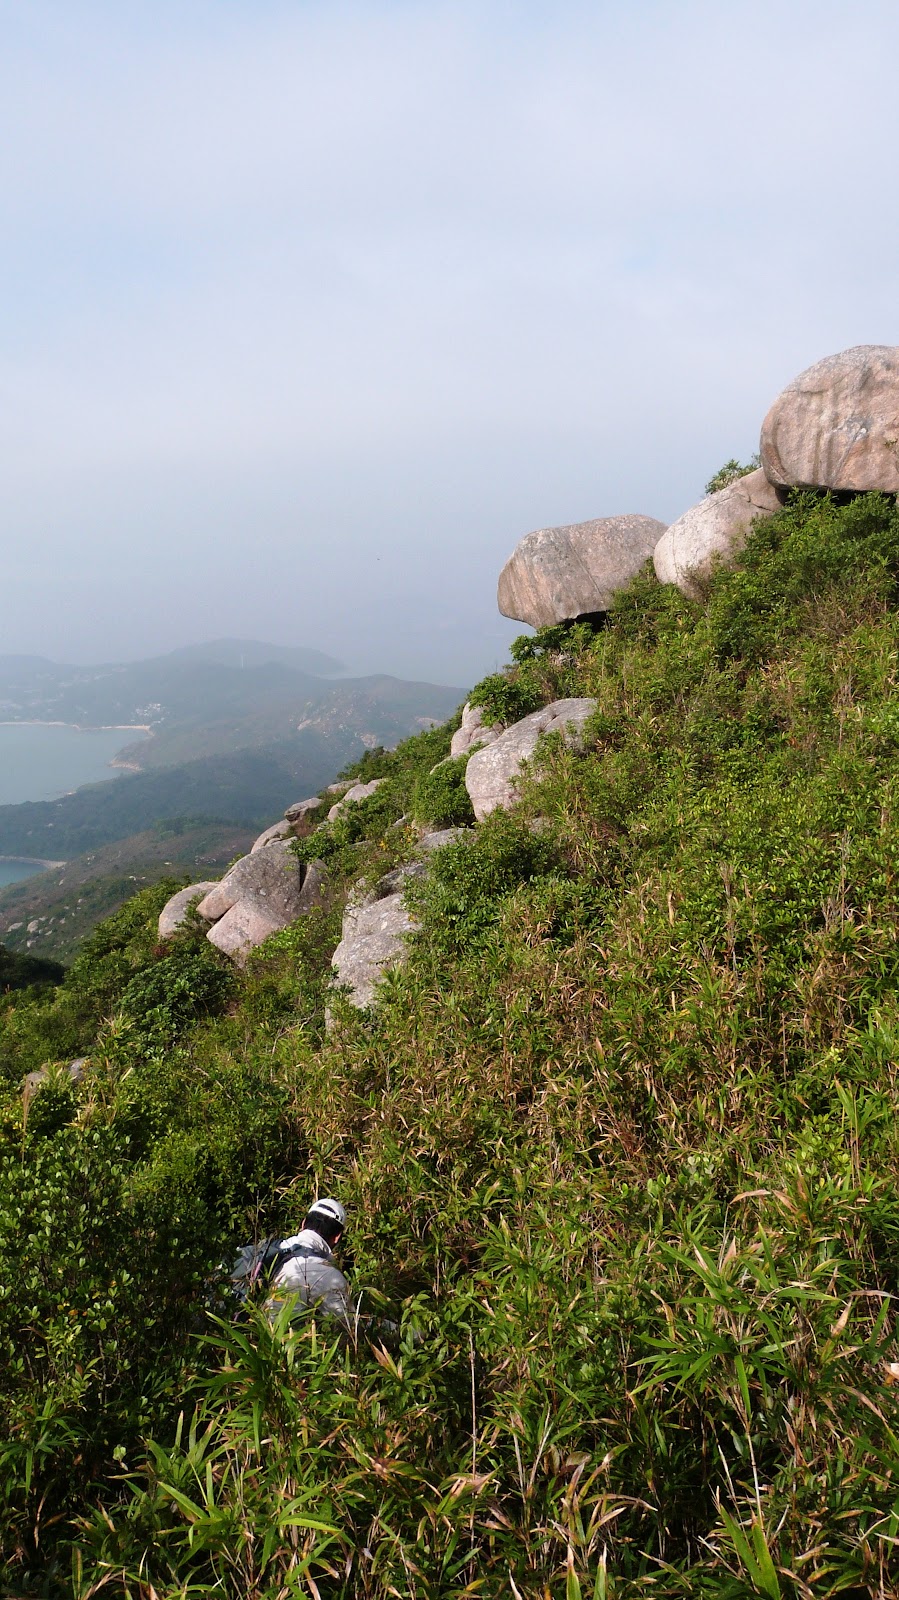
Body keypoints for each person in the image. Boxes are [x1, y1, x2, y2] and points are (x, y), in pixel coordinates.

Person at [267, 1196, 356, 1332]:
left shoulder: (271, 1250)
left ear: (303, 1224)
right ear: (337, 1236)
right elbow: (349, 1326)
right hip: (287, 1341)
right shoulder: (328, 1275)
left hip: (250, 1335)